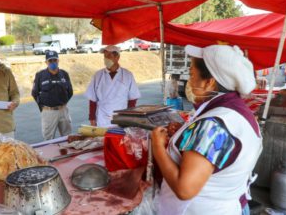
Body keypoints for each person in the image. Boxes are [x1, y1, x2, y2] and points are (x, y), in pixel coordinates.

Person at [152, 45, 263, 215]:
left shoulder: (213, 125)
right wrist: (187, 137)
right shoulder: (239, 111)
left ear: (209, 82)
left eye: (191, 75)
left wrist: (158, 148)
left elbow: (184, 189)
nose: (189, 81)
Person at [84, 45, 141, 127]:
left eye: (109, 55)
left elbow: (132, 99)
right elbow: (92, 99)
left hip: (121, 118)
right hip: (102, 118)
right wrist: (92, 117)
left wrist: (129, 117)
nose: (106, 58)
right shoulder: (98, 75)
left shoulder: (127, 75)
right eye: (105, 56)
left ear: (117, 57)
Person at [32, 51, 73, 140]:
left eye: (55, 60)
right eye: (50, 61)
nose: (53, 63)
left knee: (67, 138)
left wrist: (63, 103)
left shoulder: (64, 74)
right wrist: (42, 108)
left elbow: (70, 92)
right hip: (48, 112)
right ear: (46, 62)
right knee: (48, 140)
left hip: (63, 111)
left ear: (58, 61)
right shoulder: (40, 75)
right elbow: (35, 93)